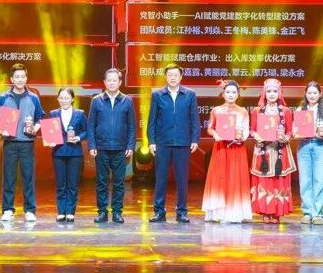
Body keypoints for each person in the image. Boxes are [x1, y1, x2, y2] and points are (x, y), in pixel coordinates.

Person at [147, 63, 201, 223]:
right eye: (169, 75)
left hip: (183, 142)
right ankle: (159, 211)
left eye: (175, 75)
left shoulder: (189, 95)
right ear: (165, 76)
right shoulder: (158, 95)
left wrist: (195, 139)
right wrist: (151, 141)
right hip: (162, 142)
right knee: (160, 178)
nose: (172, 78)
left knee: (182, 179)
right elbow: (152, 120)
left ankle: (182, 212)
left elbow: (194, 119)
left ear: (181, 77)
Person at [87, 68, 136, 223]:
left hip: (120, 149)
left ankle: (117, 212)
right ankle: (102, 212)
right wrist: (92, 145)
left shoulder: (127, 101)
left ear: (120, 82)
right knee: (101, 182)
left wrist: (130, 146)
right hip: (101, 148)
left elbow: (132, 126)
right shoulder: (97, 101)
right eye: (109, 80)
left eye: (115, 80)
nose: (112, 83)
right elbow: (91, 125)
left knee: (119, 183)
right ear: (104, 82)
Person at [0, 63, 44, 222]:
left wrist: (35, 128)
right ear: (11, 79)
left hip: (27, 142)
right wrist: (1, 129)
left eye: (23, 76)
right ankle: (8, 209)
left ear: (26, 78)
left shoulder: (33, 97)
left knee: (28, 177)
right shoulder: (3, 97)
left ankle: (30, 210)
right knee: (8, 177)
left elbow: (39, 118)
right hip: (9, 142)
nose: (20, 79)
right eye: (17, 77)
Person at [202, 80, 252, 223]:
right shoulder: (216, 110)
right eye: (228, 92)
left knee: (235, 178)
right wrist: (215, 134)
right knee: (220, 178)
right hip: (221, 148)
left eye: (234, 92)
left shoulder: (243, 111)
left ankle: (234, 213)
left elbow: (246, 129)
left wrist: (241, 137)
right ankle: (218, 212)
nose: (231, 95)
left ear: (238, 94)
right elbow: (210, 128)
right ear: (223, 94)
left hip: (237, 148)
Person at [250, 78, 296, 224]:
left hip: (279, 150)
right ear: (264, 93)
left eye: (275, 91)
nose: (271, 94)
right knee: (264, 180)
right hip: (263, 151)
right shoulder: (257, 111)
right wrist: (256, 136)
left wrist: (286, 138)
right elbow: (252, 130)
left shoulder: (286, 111)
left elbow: (289, 131)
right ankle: (265, 211)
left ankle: (277, 212)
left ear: (279, 93)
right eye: (268, 91)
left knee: (279, 180)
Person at [294, 81, 323, 225]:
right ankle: (307, 213)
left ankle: (317, 214)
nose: (312, 96)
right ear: (305, 94)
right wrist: (299, 135)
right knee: (305, 181)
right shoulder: (300, 110)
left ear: (320, 94)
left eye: (315, 93)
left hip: (320, 146)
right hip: (304, 146)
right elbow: (295, 131)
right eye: (309, 93)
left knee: (320, 180)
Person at [49, 87, 87, 222]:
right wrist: (50, 140)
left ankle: (70, 211)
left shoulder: (80, 114)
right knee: (60, 184)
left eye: (66, 98)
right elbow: (50, 131)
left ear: (72, 99)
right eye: (61, 98)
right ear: (58, 99)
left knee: (73, 184)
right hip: (58, 152)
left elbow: (87, 130)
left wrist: (79, 138)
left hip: (75, 153)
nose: (64, 100)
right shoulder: (53, 113)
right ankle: (61, 211)